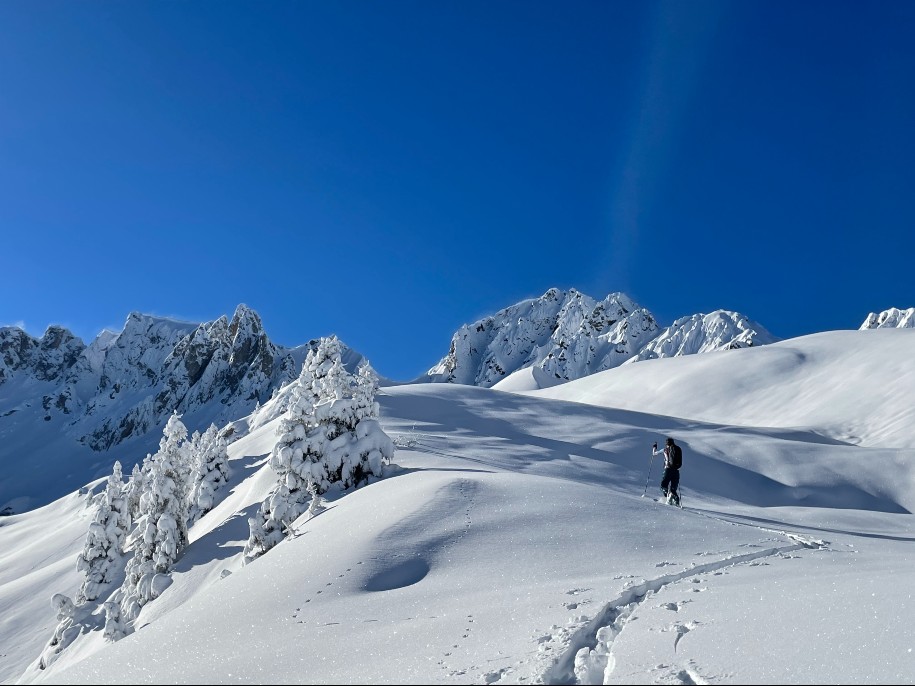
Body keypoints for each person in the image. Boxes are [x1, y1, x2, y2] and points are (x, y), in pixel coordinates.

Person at [652, 437, 681, 506]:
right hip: (676, 471)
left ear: (666, 443)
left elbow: (654, 453)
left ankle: (668, 497)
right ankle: (676, 502)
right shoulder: (677, 449)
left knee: (663, 486)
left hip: (668, 470)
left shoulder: (665, 450)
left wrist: (654, 447)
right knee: (673, 489)